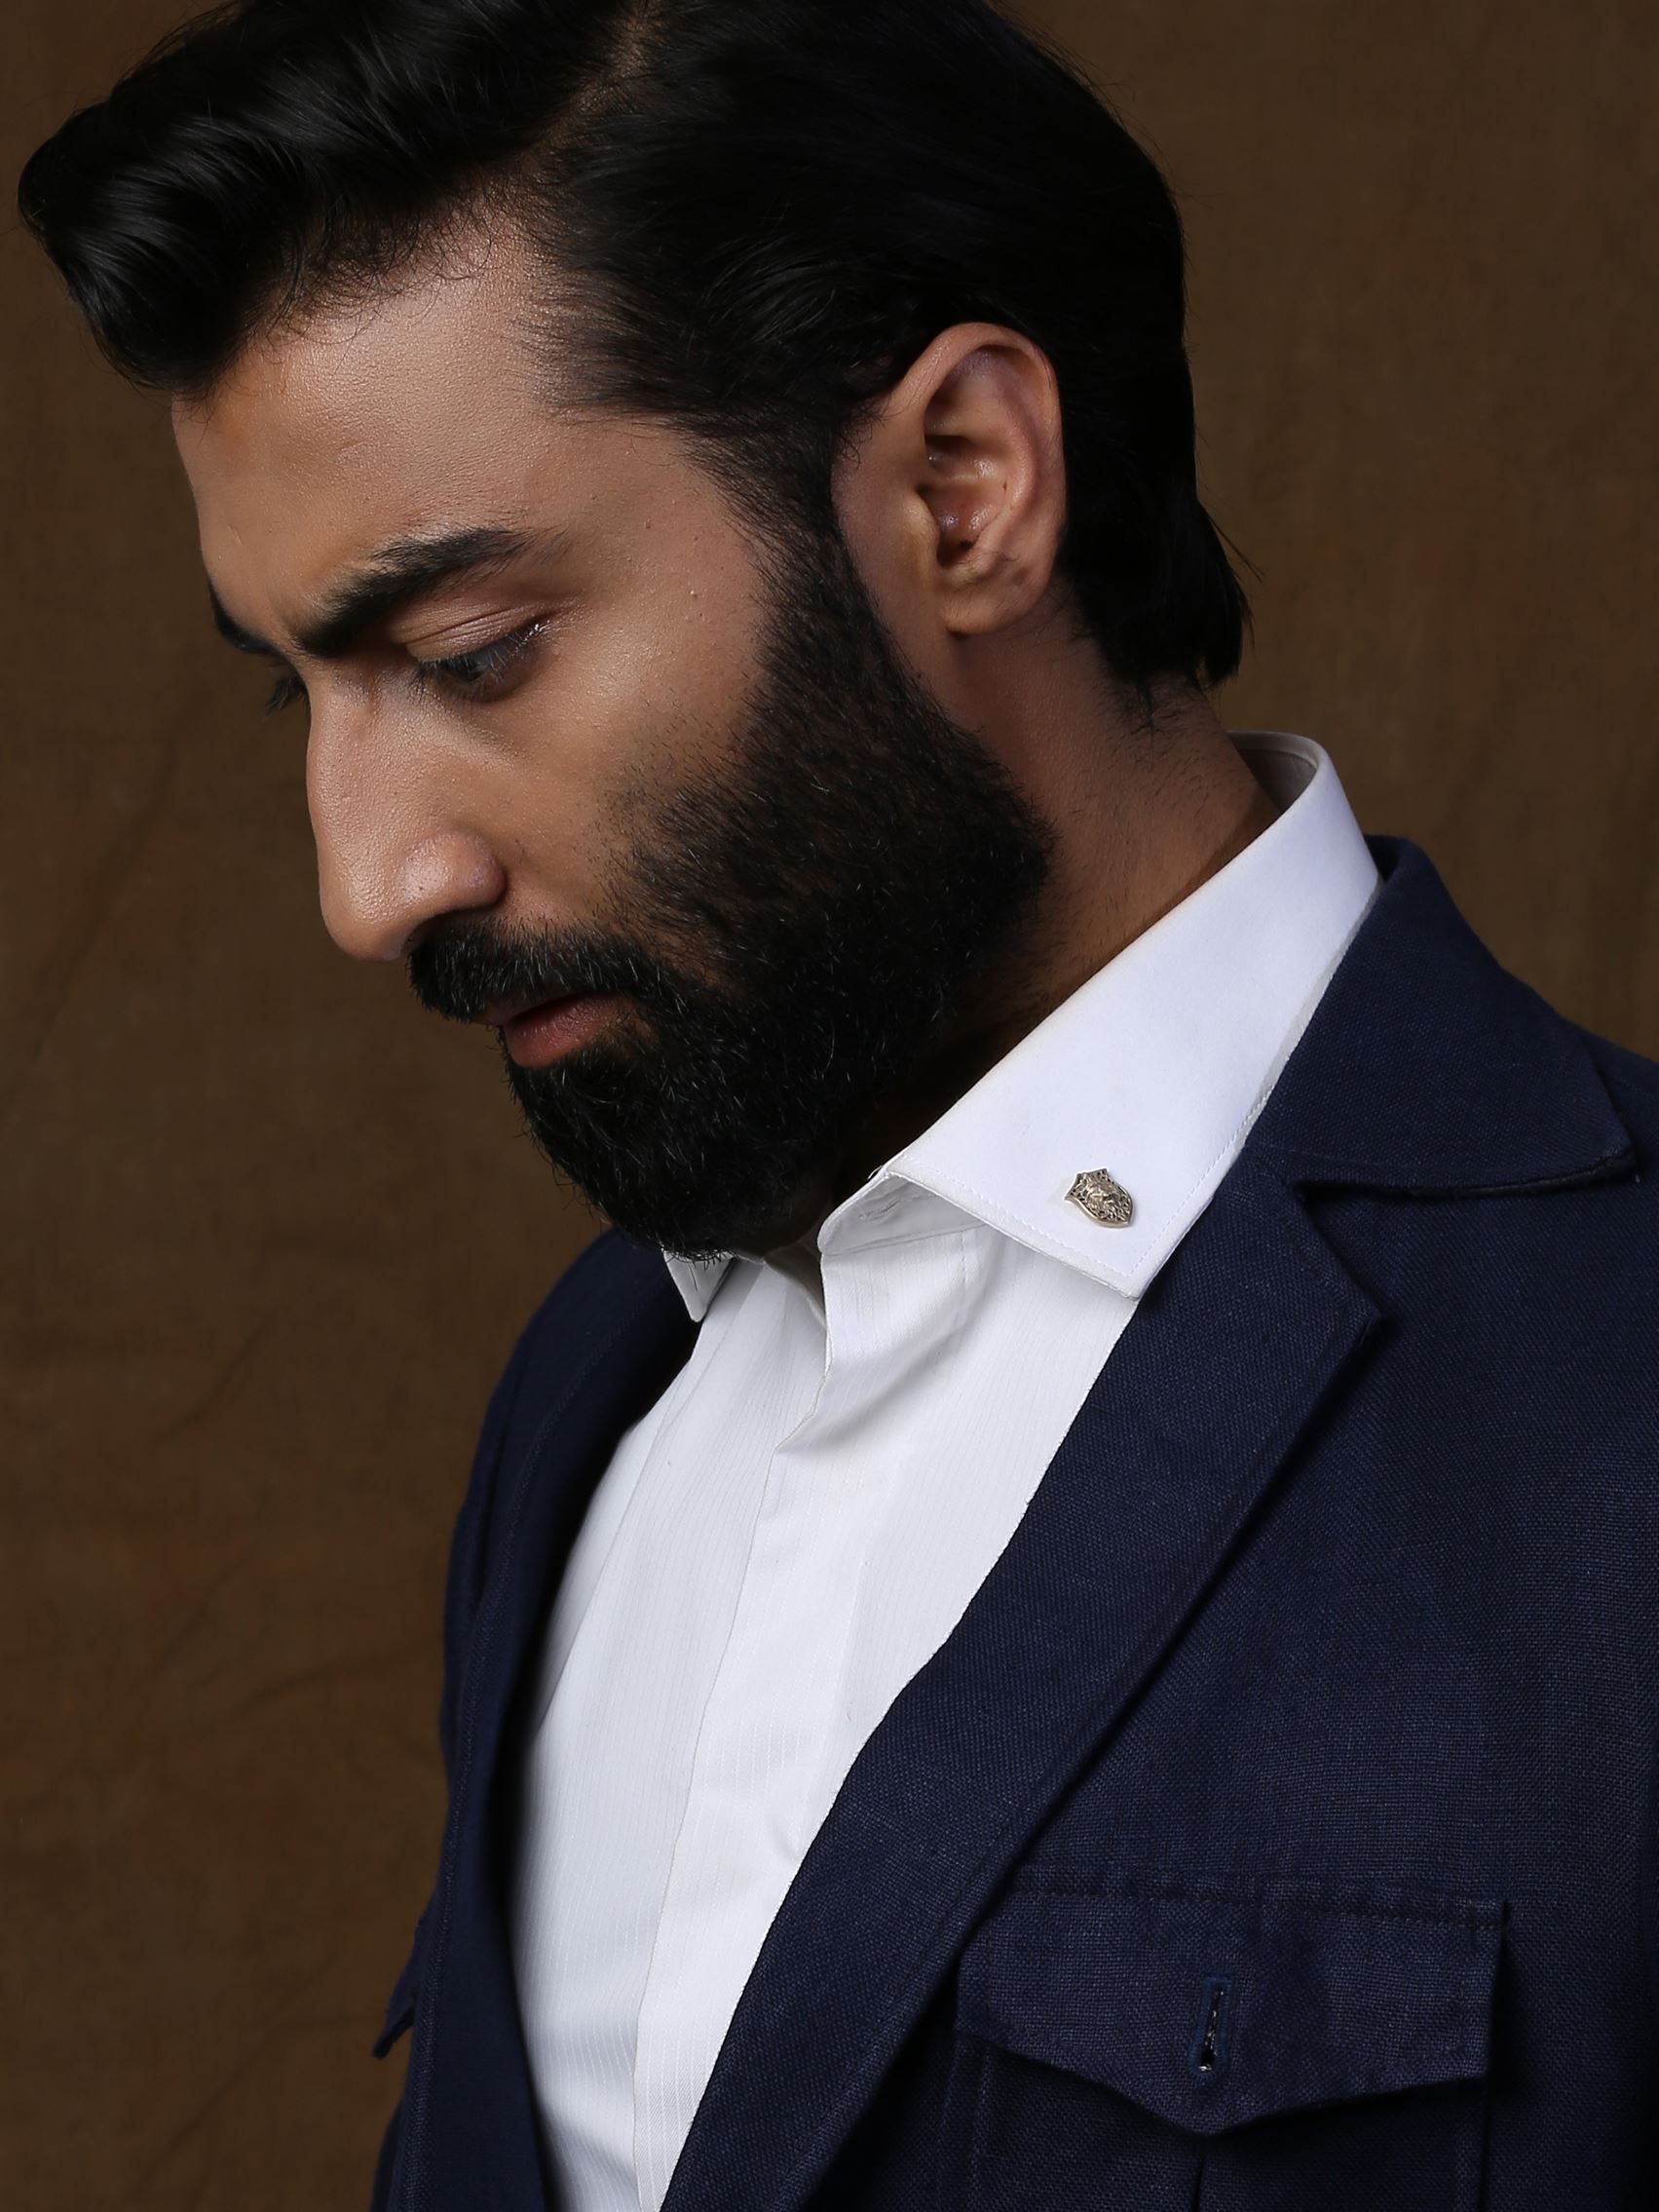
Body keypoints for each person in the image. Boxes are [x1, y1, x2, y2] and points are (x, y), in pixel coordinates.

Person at [19, 0, 1659, 2204]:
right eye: (301, 691)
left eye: (476, 654)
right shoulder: (593, 1396)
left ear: (965, 489)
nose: (368, 882)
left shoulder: (1618, 1392)